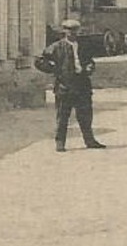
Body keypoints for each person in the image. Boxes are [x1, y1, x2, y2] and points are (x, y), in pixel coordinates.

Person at [35, 19, 106, 151]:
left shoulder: (83, 46)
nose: (72, 33)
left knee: (85, 115)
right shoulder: (56, 47)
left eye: (74, 30)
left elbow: (90, 61)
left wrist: (90, 67)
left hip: (82, 84)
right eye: (69, 30)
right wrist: (54, 70)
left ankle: (90, 141)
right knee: (63, 116)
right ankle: (60, 143)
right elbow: (40, 61)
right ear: (64, 31)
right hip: (64, 86)